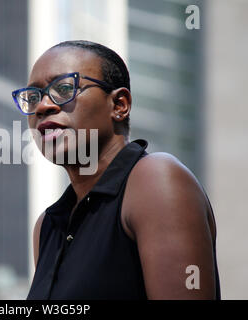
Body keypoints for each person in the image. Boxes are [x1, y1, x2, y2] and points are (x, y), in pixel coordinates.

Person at [12, 40, 220, 300]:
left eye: (64, 88)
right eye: (33, 97)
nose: (43, 106)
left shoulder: (154, 179)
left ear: (119, 105)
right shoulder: (47, 226)